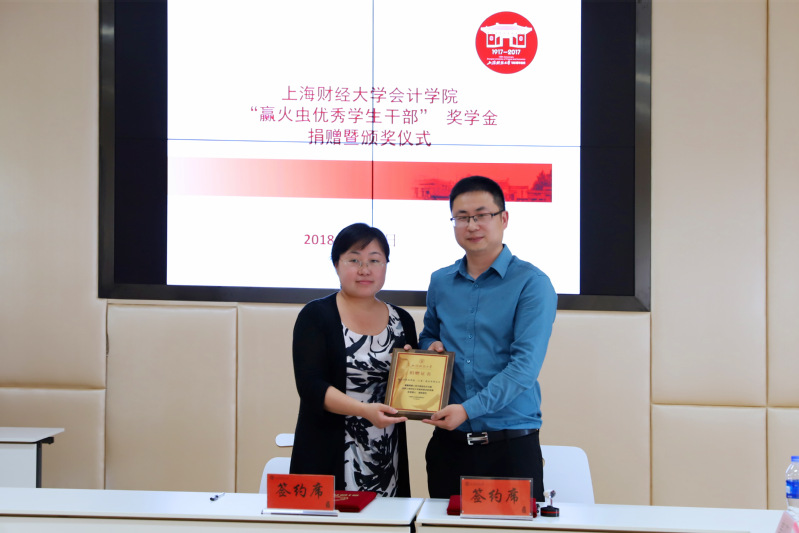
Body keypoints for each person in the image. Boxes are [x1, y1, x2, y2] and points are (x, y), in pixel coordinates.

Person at [419, 176, 558, 502]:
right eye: (462, 217)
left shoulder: (532, 283)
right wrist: (430, 348)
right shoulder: (440, 282)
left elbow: (523, 369)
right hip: (449, 446)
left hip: (509, 447)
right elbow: (429, 334)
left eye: (482, 215)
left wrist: (467, 410)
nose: (472, 225)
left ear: (503, 218)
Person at [290, 223, 418, 497]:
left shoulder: (402, 321)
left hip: (386, 455)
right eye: (354, 260)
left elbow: (412, 391)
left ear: (386, 265)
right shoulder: (316, 316)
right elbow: (311, 387)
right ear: (336, 264)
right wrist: (364, 411)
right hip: (328, 452)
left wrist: (422, 366)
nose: (365, 269)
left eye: (374, 260)